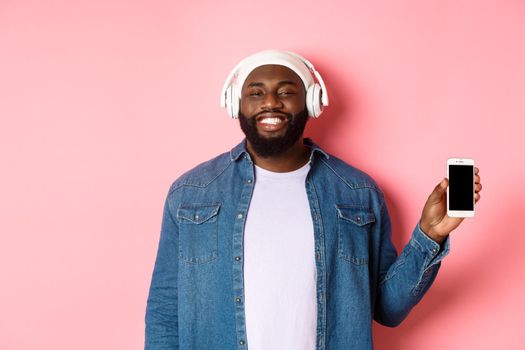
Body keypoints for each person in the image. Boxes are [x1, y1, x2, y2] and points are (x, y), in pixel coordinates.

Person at [144, 50, 482, 350]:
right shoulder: (192, 193)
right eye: (256, 92)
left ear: (312, 101)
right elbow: (164, 311)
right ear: (236, 103)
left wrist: (430, 236)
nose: (271, 102)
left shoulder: (357, 192)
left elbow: (388, 310)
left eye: (287, 92)